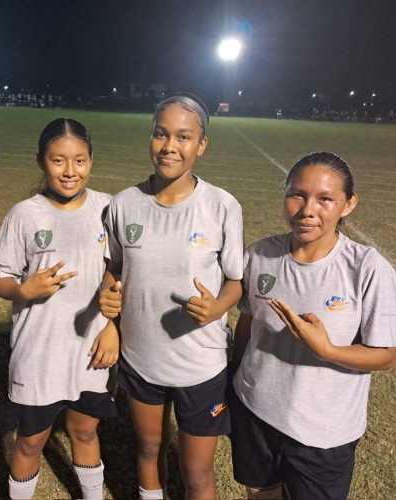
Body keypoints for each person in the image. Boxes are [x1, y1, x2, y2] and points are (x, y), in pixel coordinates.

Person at [229, 152, 396, 500]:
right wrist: (233, 381)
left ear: (348, 204)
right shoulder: (261, 255)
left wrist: (327, 350)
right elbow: (248, 323)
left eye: (325, 199)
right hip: (254, 409)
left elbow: (385, 355)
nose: (308, 209)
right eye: (297, 194)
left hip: (324, 431)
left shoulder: (367, 269)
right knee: (260, 492)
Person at [100, 93, 244, 499]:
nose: (169, 146)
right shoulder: (124, 204)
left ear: (201, 145)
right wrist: (107, 294)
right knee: (148, 449)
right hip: (141, 358)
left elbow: (237, 280)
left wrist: (217, 307)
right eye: (160, 134)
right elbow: (113, 267)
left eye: (183, 137)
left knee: (196, 472)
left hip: (200, 364)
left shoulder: (221, 206)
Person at [0, 118, 118, 500]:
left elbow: (119, 271)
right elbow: (0, 279)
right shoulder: (24, 214)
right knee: (31, 440)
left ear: (91, 161)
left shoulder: (108, 208)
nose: (70, 170)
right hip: (39, 352)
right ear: (41, 161)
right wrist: (23, 289)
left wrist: (113, 328)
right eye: (58, 160)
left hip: (92, 349)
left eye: (79, 160)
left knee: (84, 431)